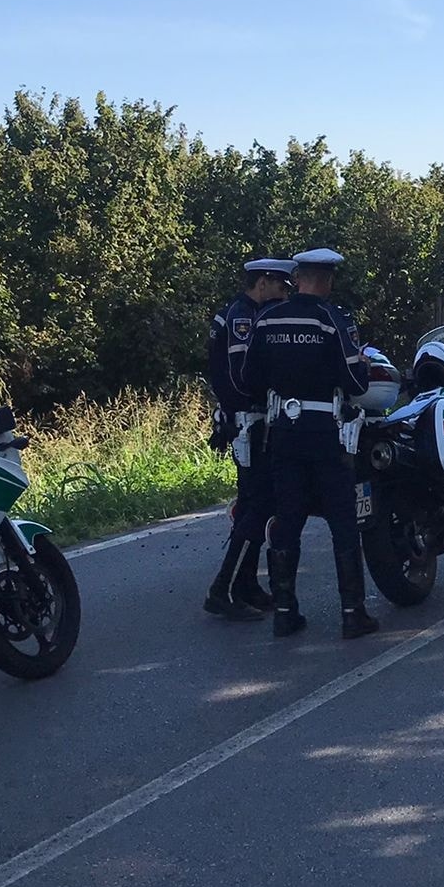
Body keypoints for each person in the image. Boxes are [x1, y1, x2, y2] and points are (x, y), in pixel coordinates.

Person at [235, 246, 379, 640]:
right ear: (328, 280)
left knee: (288, 518)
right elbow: (355, 383)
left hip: (283, 433)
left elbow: (248, 379)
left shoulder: (267, 320)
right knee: (342, 520)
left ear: (297, 278)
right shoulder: (332, 320)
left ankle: (284, 611)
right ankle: (352, 613)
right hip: (325, 433)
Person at [202, 257, 296, 618]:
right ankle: (223, 588)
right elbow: (242, 375)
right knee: (257, 507)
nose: (284, 293)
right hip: (250, 421)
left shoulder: (235, 312)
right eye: (281, 286)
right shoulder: (244, 317)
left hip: (244, 420)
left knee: (256, 504)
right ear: (264, 282)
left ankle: (245, 584)